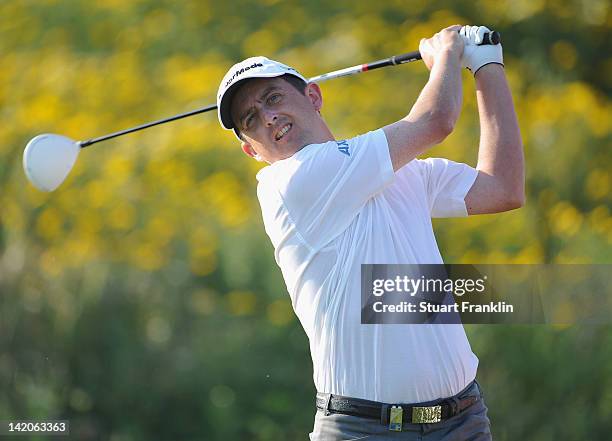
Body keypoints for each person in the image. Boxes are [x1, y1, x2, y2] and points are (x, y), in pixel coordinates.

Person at [216, 24, 524, 440]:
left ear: (313, 95)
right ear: (251, 150)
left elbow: (503, 188)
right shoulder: (289, 183)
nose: (268, 117)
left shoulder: (400, 171)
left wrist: (488, 66)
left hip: (462, 422)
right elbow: (435, 121)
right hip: (365, 430)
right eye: (250, 119)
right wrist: (449, 53)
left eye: (273, 98)